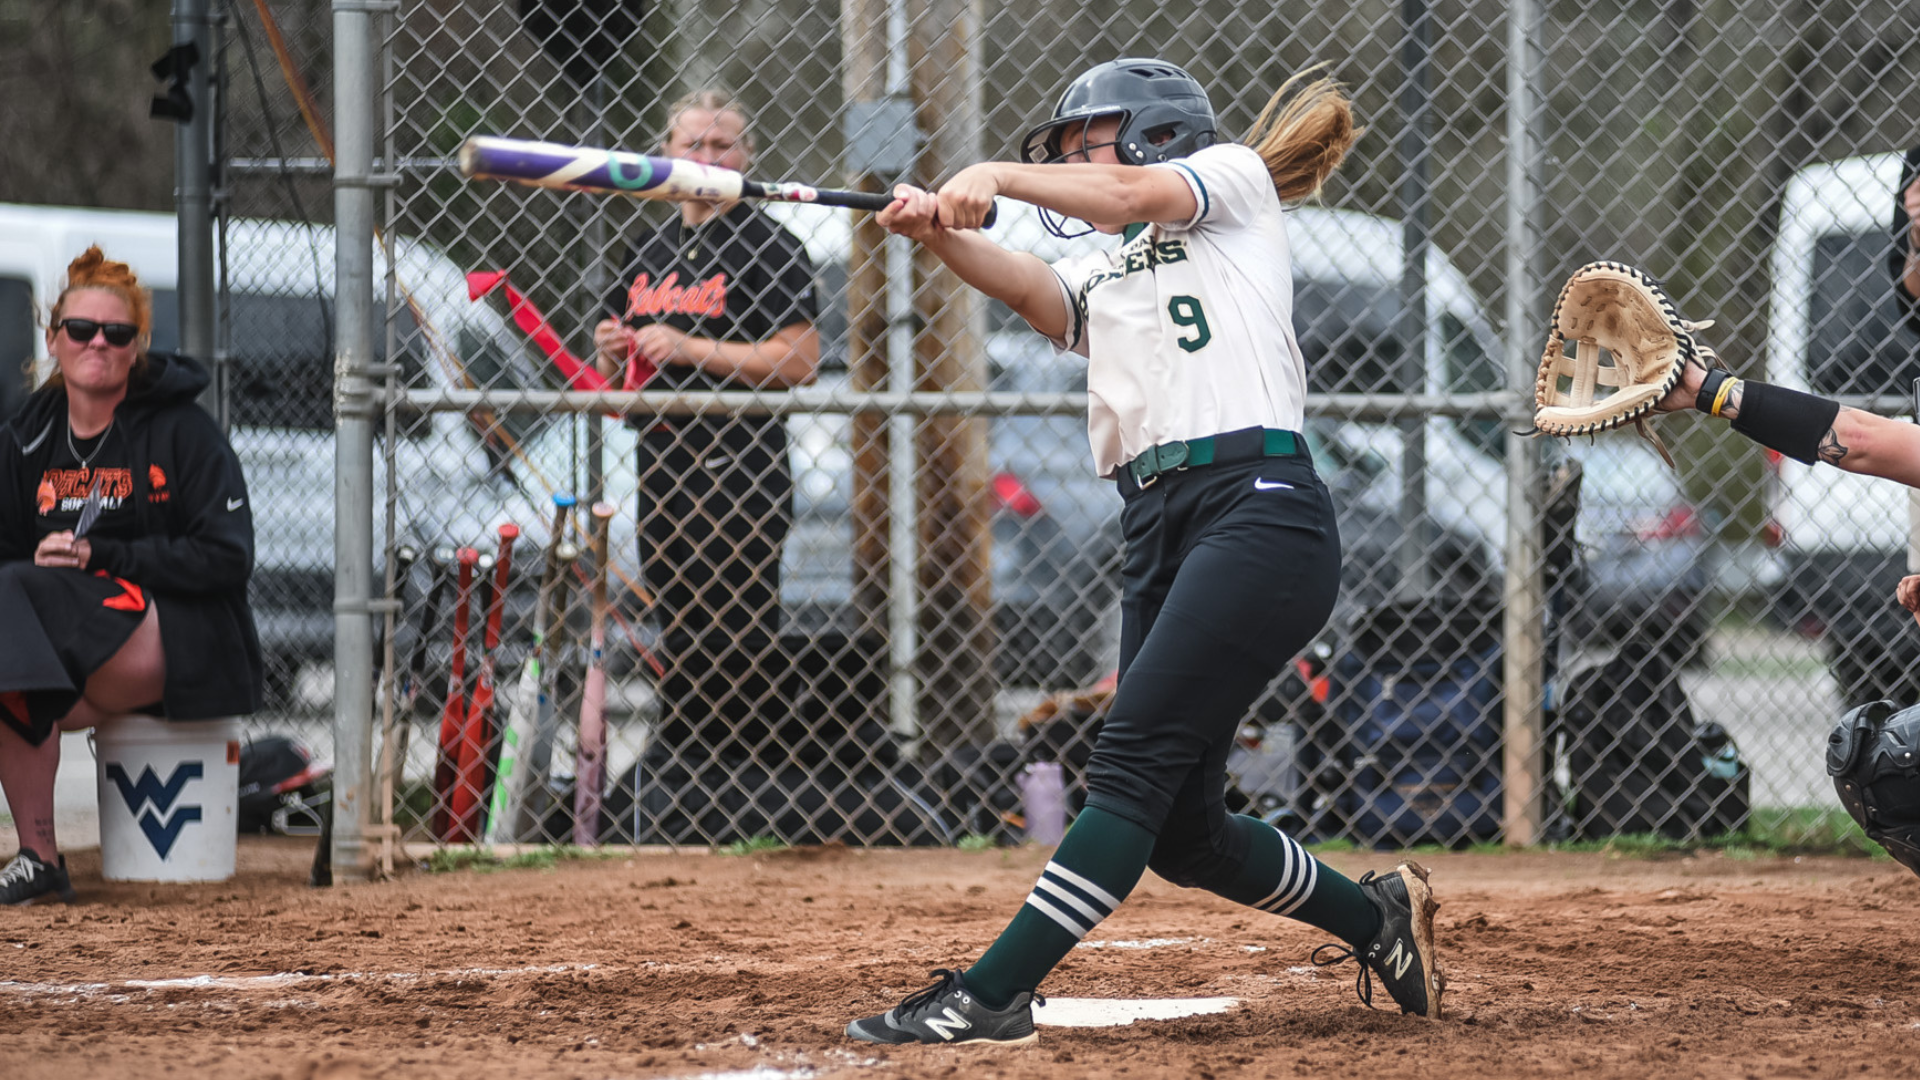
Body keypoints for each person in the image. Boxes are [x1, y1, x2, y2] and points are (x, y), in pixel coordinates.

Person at [843, 59, 1444, 1046]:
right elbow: (1040, 295)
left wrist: (998, 174)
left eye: (1090, 142)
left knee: (1129, 757)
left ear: (1157, 134)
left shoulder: (1231, 184)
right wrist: (941, 235)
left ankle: (992, 994)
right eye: (1070, 151)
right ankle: (1374, 915)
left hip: (1259, 509)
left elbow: (1127, 191)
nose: (1080, 167)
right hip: (1158, 523)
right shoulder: (1111, 265)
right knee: (1183, 834)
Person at [0, 247, 263, 904]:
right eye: (81, 330)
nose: (98, 344)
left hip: (177, 635)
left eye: (116, 334)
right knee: (10, 641)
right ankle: (39, 858)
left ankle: (40, 856)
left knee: (15, 601)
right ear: (54, 338)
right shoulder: (27, 435)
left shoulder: (183, 430)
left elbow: (227, 555)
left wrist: (103, 557)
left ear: (138, 345)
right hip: (61, 643)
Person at [591, 90, 821, 774]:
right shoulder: (647, 246)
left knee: (739, 620)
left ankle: (743, 767)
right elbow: (615, 376)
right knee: (676, 614)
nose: (707, 158)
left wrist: (690, 348)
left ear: (747, 157)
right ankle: (686, 760)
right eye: (693, 145)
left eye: (723, 146)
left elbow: (800, 360)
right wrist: (612, 348)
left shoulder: (769, 243)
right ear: (665, 154)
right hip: (661, 462)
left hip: (741, 466)